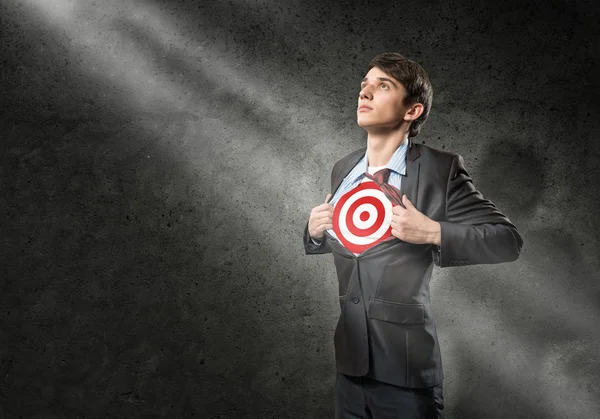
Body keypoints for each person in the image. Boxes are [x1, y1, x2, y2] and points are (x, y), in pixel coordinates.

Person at [302, 52, 523, 419]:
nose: (365, 93)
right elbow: (358, 245)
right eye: (364, 86)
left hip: (405, 370)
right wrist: (313, 234)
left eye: (382, 86)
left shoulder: (440, 168)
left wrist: (433, 231)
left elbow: (508, 240)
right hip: (349, 366)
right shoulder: (343, 168)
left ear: (412, 111)